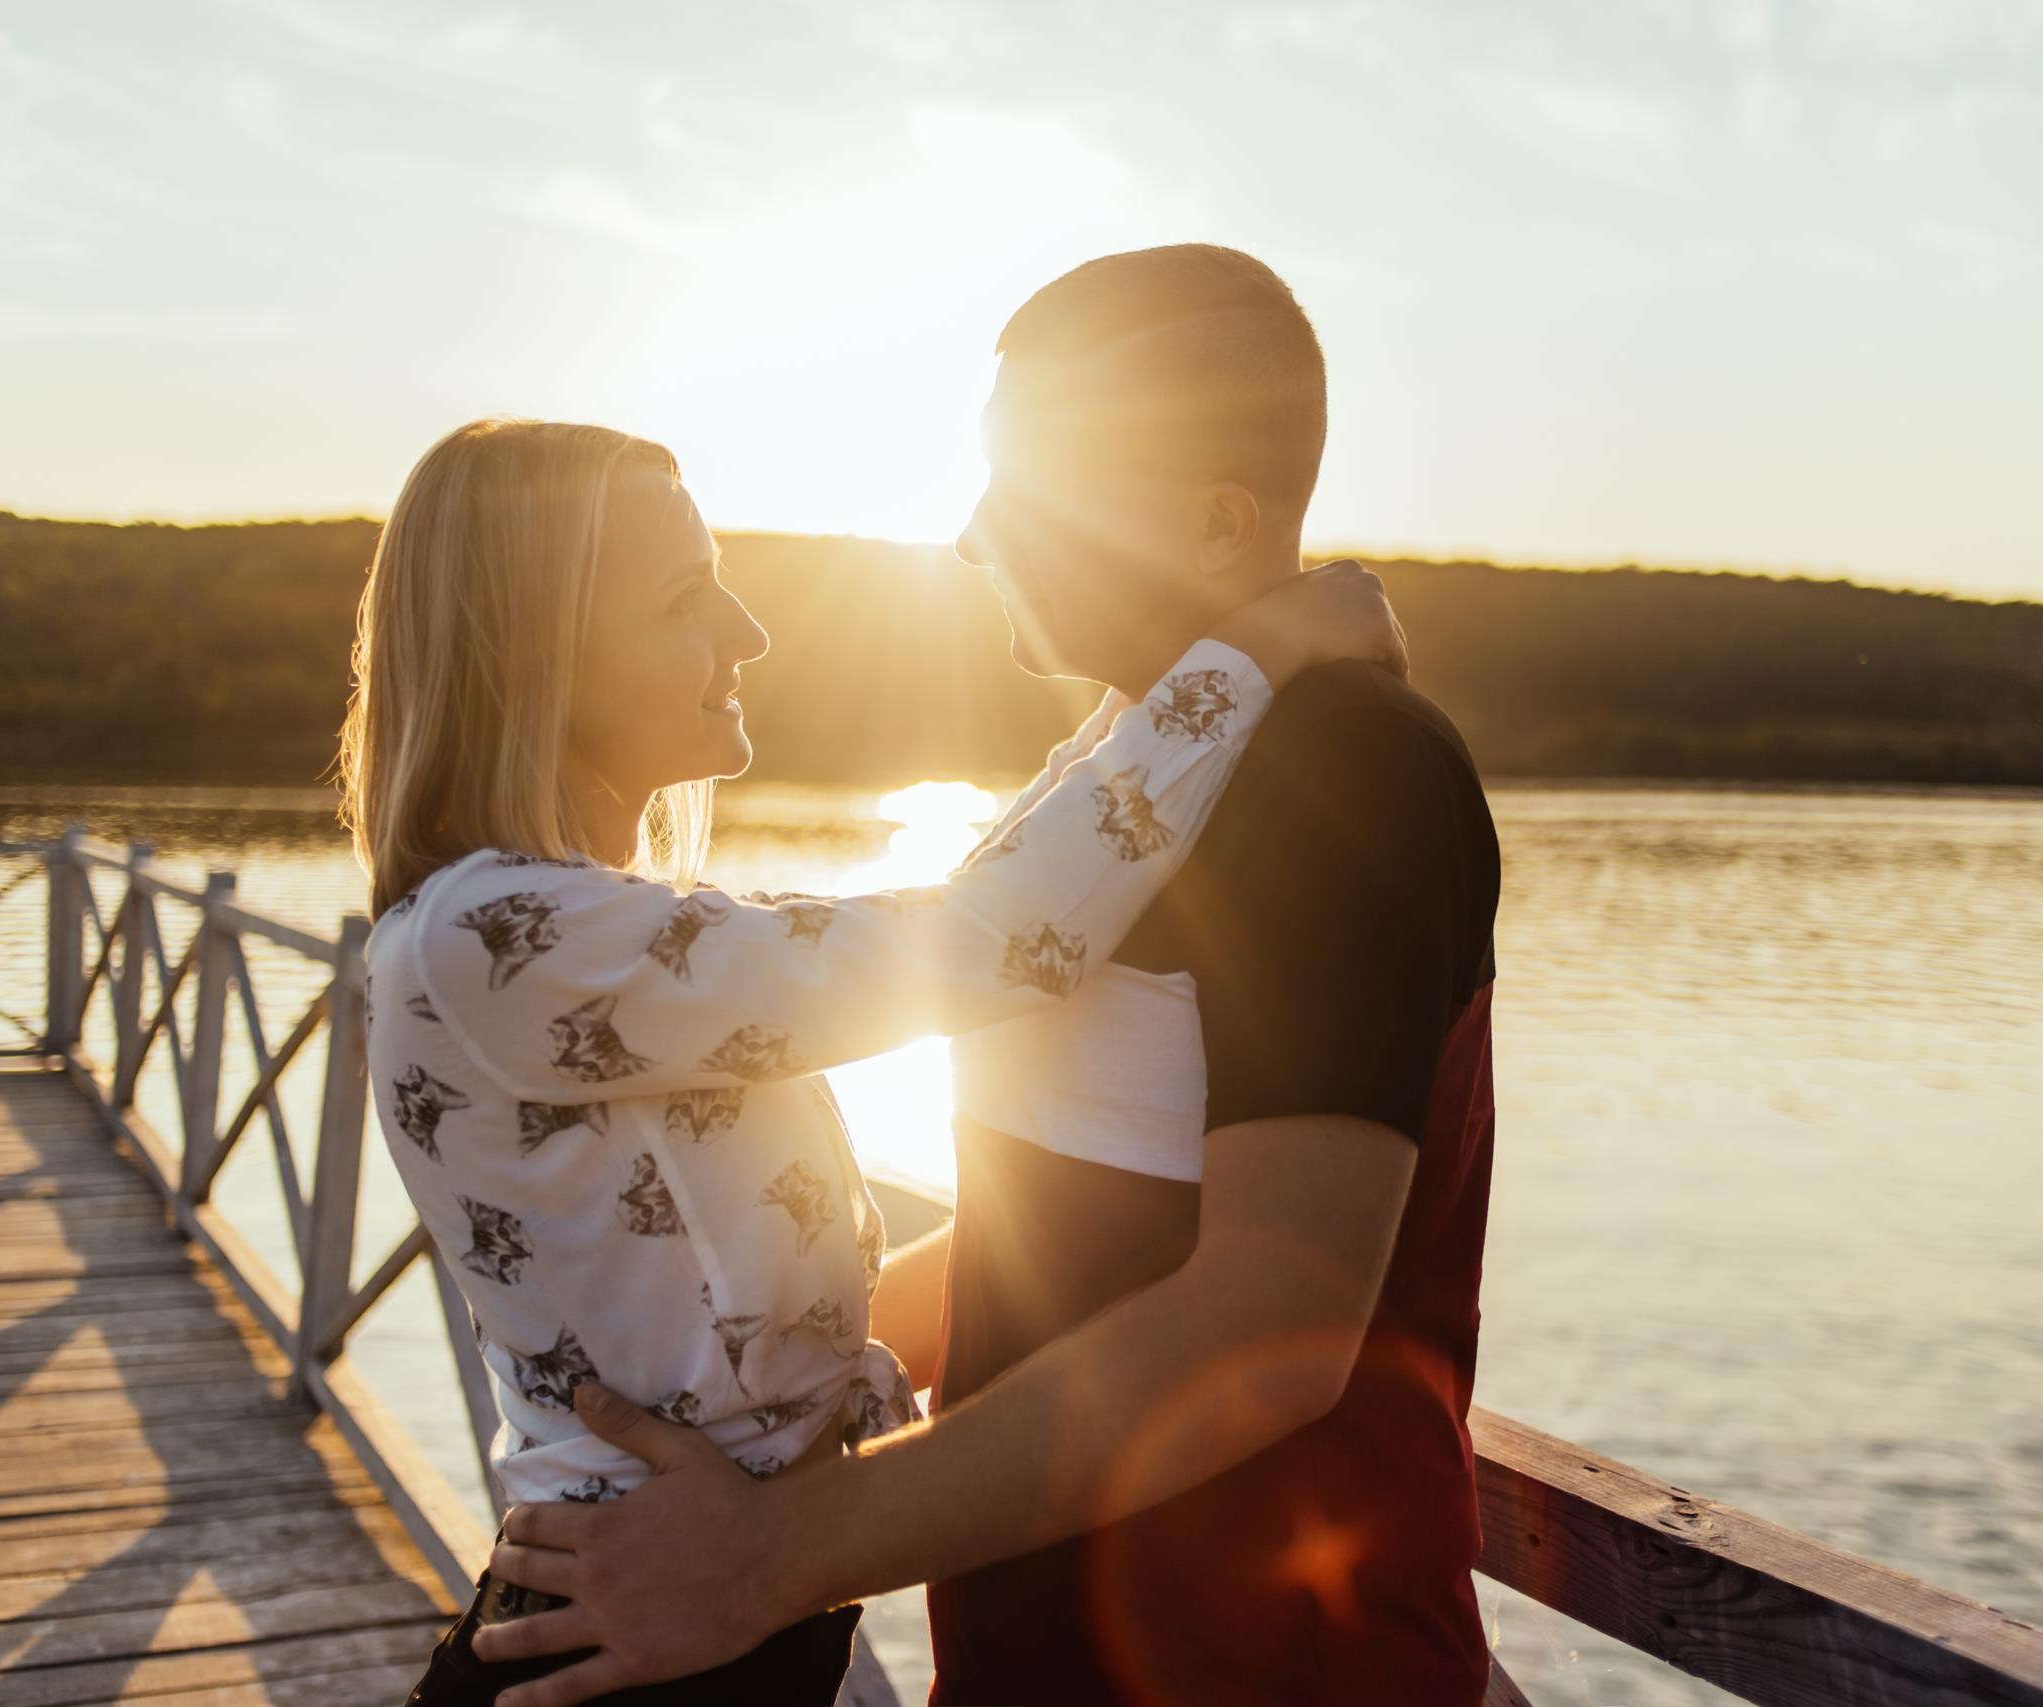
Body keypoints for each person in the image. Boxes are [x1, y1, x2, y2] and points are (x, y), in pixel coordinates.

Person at [475, 245, 1504, 1707]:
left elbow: (1269, 1328)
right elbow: (1051, 1243)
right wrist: (697, 1429)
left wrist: (769, 1555)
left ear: (1217, 524)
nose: (967, 539)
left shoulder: (1345, 771)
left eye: (1026, 488)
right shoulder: (1118, 772)